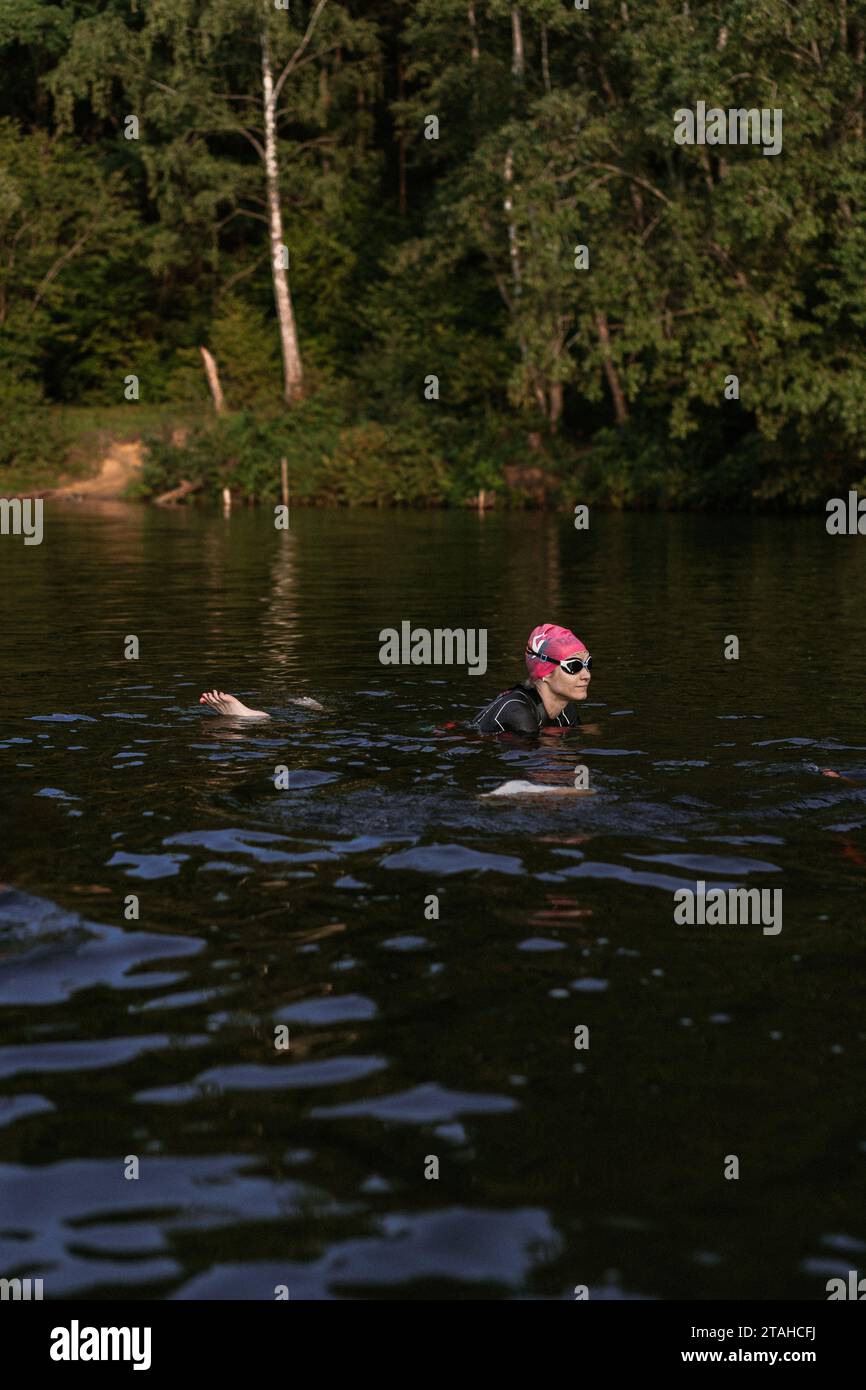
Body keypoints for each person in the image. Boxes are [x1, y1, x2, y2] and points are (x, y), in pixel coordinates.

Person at [468, 623, 591, 734]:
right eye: (574, 666)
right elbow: (531, 755)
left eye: (588, 664)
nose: (587, 675)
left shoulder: (565, 710)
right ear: (545, 672)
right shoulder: (517, 712)